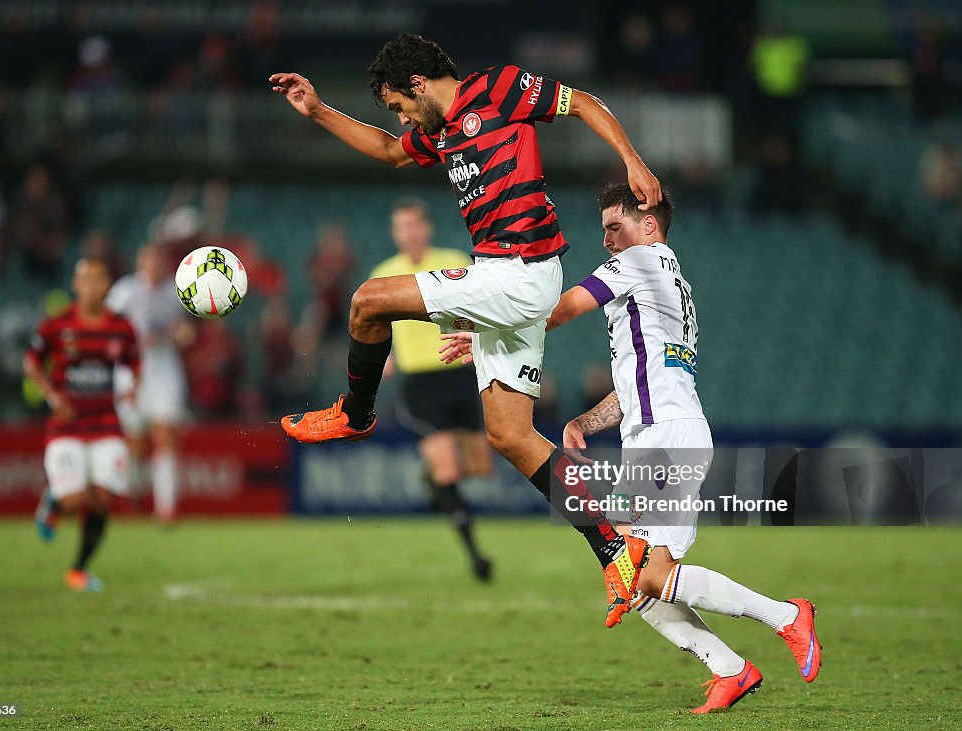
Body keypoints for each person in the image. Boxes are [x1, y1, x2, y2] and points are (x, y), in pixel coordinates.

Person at [271, 33, 662, 620]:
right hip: (507, 277)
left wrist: (631, 158)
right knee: (510, 436)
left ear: (418, 84)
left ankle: (355, 413)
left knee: (367, 301)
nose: (401, 117)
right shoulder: (439, 132)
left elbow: (581, 102)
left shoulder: (498, 89)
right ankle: (614, 547)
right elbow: (386, 150)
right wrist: (319, 109)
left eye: (400, 104)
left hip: (520, 272)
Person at [504, 183, 821, 712]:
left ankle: (787, 617)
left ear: (648, 224)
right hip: (651, 438)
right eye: (603, 228)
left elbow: (558, 312)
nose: (606, 240)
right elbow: (641, 380)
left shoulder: (642, 261)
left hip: (669, 438)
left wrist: (492, 332)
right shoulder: (668, 280)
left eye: (615, 226)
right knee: (633, 580)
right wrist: (588, 418)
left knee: (650, 574)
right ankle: (731, 669)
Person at [370, 198, 493, 580]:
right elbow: (373, 324)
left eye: (414, 225)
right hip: (420, 384)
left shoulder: (454, 259)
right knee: (449, 468)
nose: (408, 233)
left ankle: (434, 483)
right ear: (395, 234)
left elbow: (482, 306)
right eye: (401, 227)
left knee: (479, 466)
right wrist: (382, 357)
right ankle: (475, 555)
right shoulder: (384, 274)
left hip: (459, 374)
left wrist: (480, 341)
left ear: (426, 228)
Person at [26, 257, 140, 592]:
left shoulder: (121, 326)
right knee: (76, 499)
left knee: (103, 498)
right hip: (67, 426)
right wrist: (51, 395)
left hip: (106, 423)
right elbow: (32, 362)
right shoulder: (57, 325)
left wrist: (134, 386)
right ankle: (54, 502)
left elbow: (135, 361)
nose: (91, 286)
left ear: (107, 285)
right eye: (85, 280)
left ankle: (78, 569)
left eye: (98, 279)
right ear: (76, 286)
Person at [106, 244, 191, 523]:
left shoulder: (175, 294)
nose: (154, 267)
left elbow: (185, 331)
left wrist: (179, 333)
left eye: (159, 261)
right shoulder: (124, 292)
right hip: (130, 372)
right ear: (140, 263)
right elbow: (106, 330)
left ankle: (166, 507)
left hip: (165, 372)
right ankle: (133, 496)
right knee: (135, 441)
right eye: (149, 261)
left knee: (164, 432)